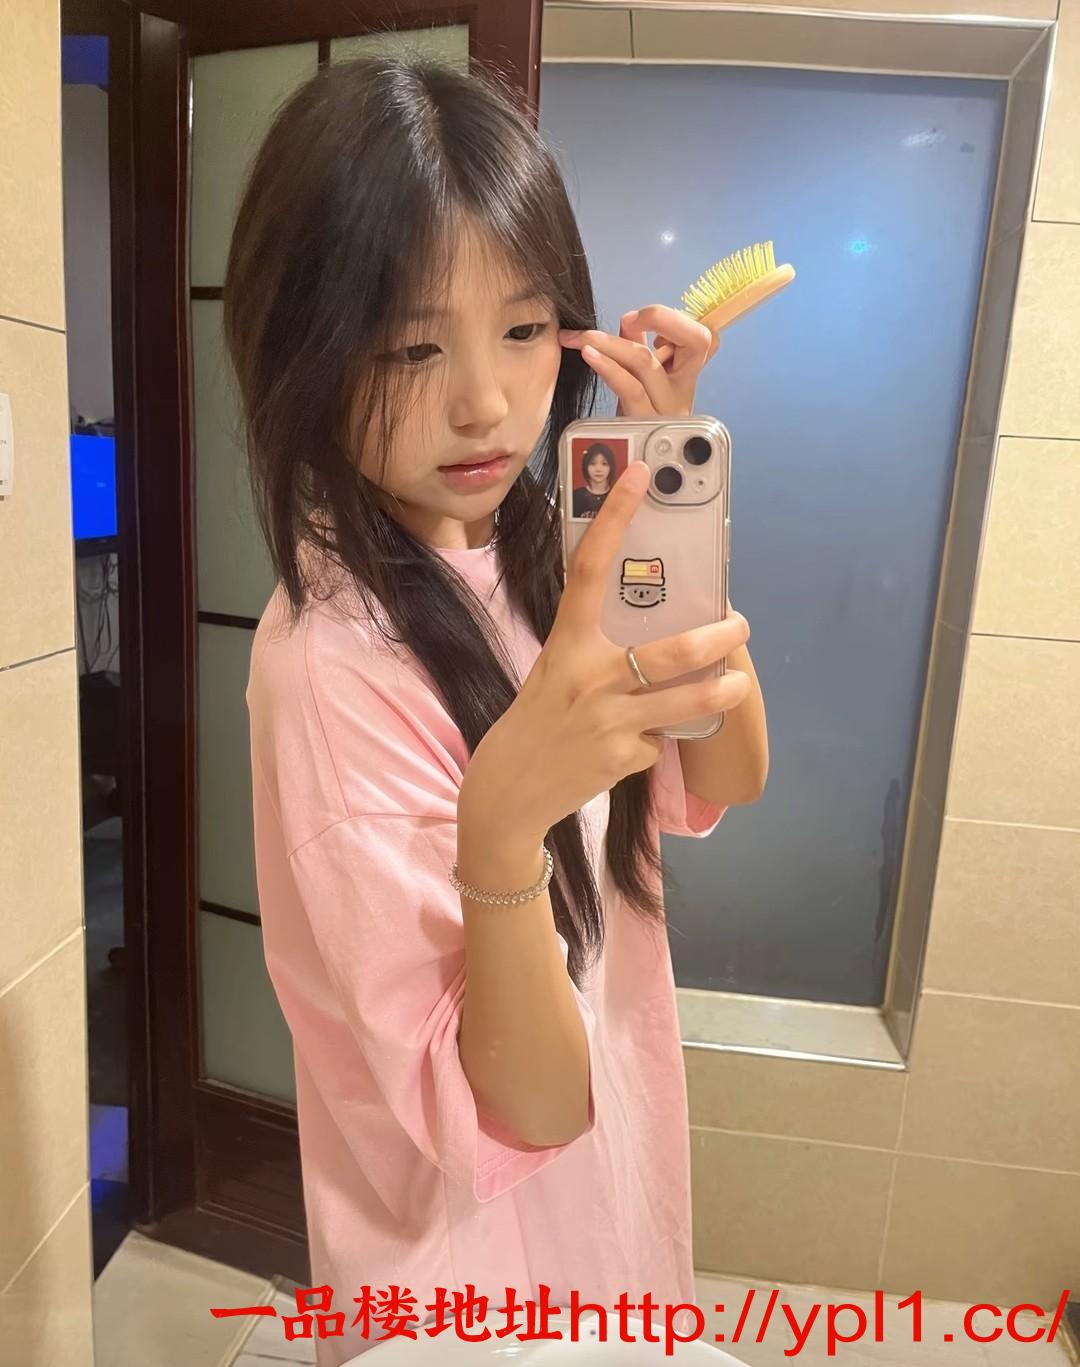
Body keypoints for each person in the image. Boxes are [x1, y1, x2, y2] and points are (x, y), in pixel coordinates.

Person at [226, 54, 768, 1366]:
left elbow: (722, 774)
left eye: (524, 330)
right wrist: (503, 819)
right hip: (466, 1278)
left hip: (607, 1193)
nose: (483, 401)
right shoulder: (332, 667)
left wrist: (668, 512)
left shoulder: (540, 547)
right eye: (412, 345)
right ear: (307, 350)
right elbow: (524, 1105)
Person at [572, 441, 616, 518]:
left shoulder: (617, 495)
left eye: (604, 464)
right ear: (586, 466)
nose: (598, 469)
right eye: (593, 463)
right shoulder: (575, 496)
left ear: (611, 467)